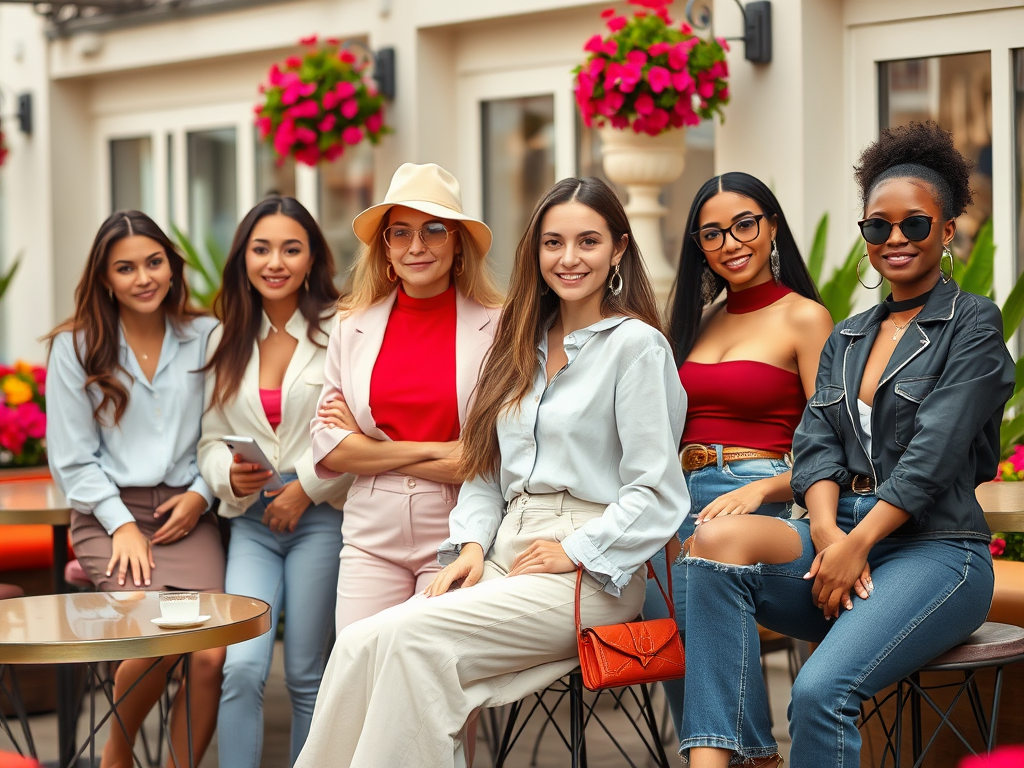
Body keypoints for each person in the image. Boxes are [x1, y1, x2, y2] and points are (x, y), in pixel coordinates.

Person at [294, 176, 690, 768]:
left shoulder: (636, 347)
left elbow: (657, 493)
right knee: (357, 642)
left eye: (587, 242)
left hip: (593, 570)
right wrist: (472, 544)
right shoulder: (518, 342)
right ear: (536, 252)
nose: (568, 258)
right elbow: (485, 472)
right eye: (553, 242)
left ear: (619, 250)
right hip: (504, 549)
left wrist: (577, 548)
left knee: (411, 640)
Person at [678, 121, 1015, 768]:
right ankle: (726, 763)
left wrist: (855, 545)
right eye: (877, 227)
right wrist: (831, 536)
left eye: (914, 225)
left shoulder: (971, 324)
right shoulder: (850, 336)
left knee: (820, 689)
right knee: (714, 542)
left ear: (946, 232)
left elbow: (933, 459)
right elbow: (817, 448)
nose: (895, 239)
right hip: (843, 542)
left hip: (936, 551)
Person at [643, 172, 833, 735]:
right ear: (698, 247)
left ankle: (752, 757)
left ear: (772, 226)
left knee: (706, 628)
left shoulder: (804, 316)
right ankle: (740, 757)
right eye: (712, 233)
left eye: (745, 224)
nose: (732, 243)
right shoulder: (695, 323)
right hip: (673, 496)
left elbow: (836, 444)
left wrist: (762, 489)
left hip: (754, 488)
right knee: (675, 650)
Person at [45, 211, 223, 768]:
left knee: (209, 654)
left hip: (187, 511)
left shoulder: (207, 337)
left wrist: (201, 494)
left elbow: (220, 431)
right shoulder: (75, 348)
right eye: (126, 268)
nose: (143, 277)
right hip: (106, 516)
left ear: (172, 266)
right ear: (105, 278)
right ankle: (116, 755)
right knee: (154, 636)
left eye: (153, 262)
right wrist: (120, 523)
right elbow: (73, 460)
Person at [309, 162, 503, 632]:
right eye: (401, 233)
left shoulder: (498, 325)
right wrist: (438, 451)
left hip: (457, 524)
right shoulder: (350, 324)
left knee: (439, 683)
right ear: (386, 249)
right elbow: (329, 445)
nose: (416, 246)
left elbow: (483, 457)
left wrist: (370, 450)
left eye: (433, 230)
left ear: (457, 242)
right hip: (370, 531)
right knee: (358, 671)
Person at [197, 197, 350, 768]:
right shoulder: (224, 338)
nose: (275, 262)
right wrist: (229, 477)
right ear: (243, 259)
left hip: (321, 517)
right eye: (261, 249)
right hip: (253, 524)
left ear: (312, 258)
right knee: (241, 665)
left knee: (308, 671)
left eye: (291, 248)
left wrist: (305, 488)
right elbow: (210, 439)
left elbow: (359, 432)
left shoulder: (343, 331)